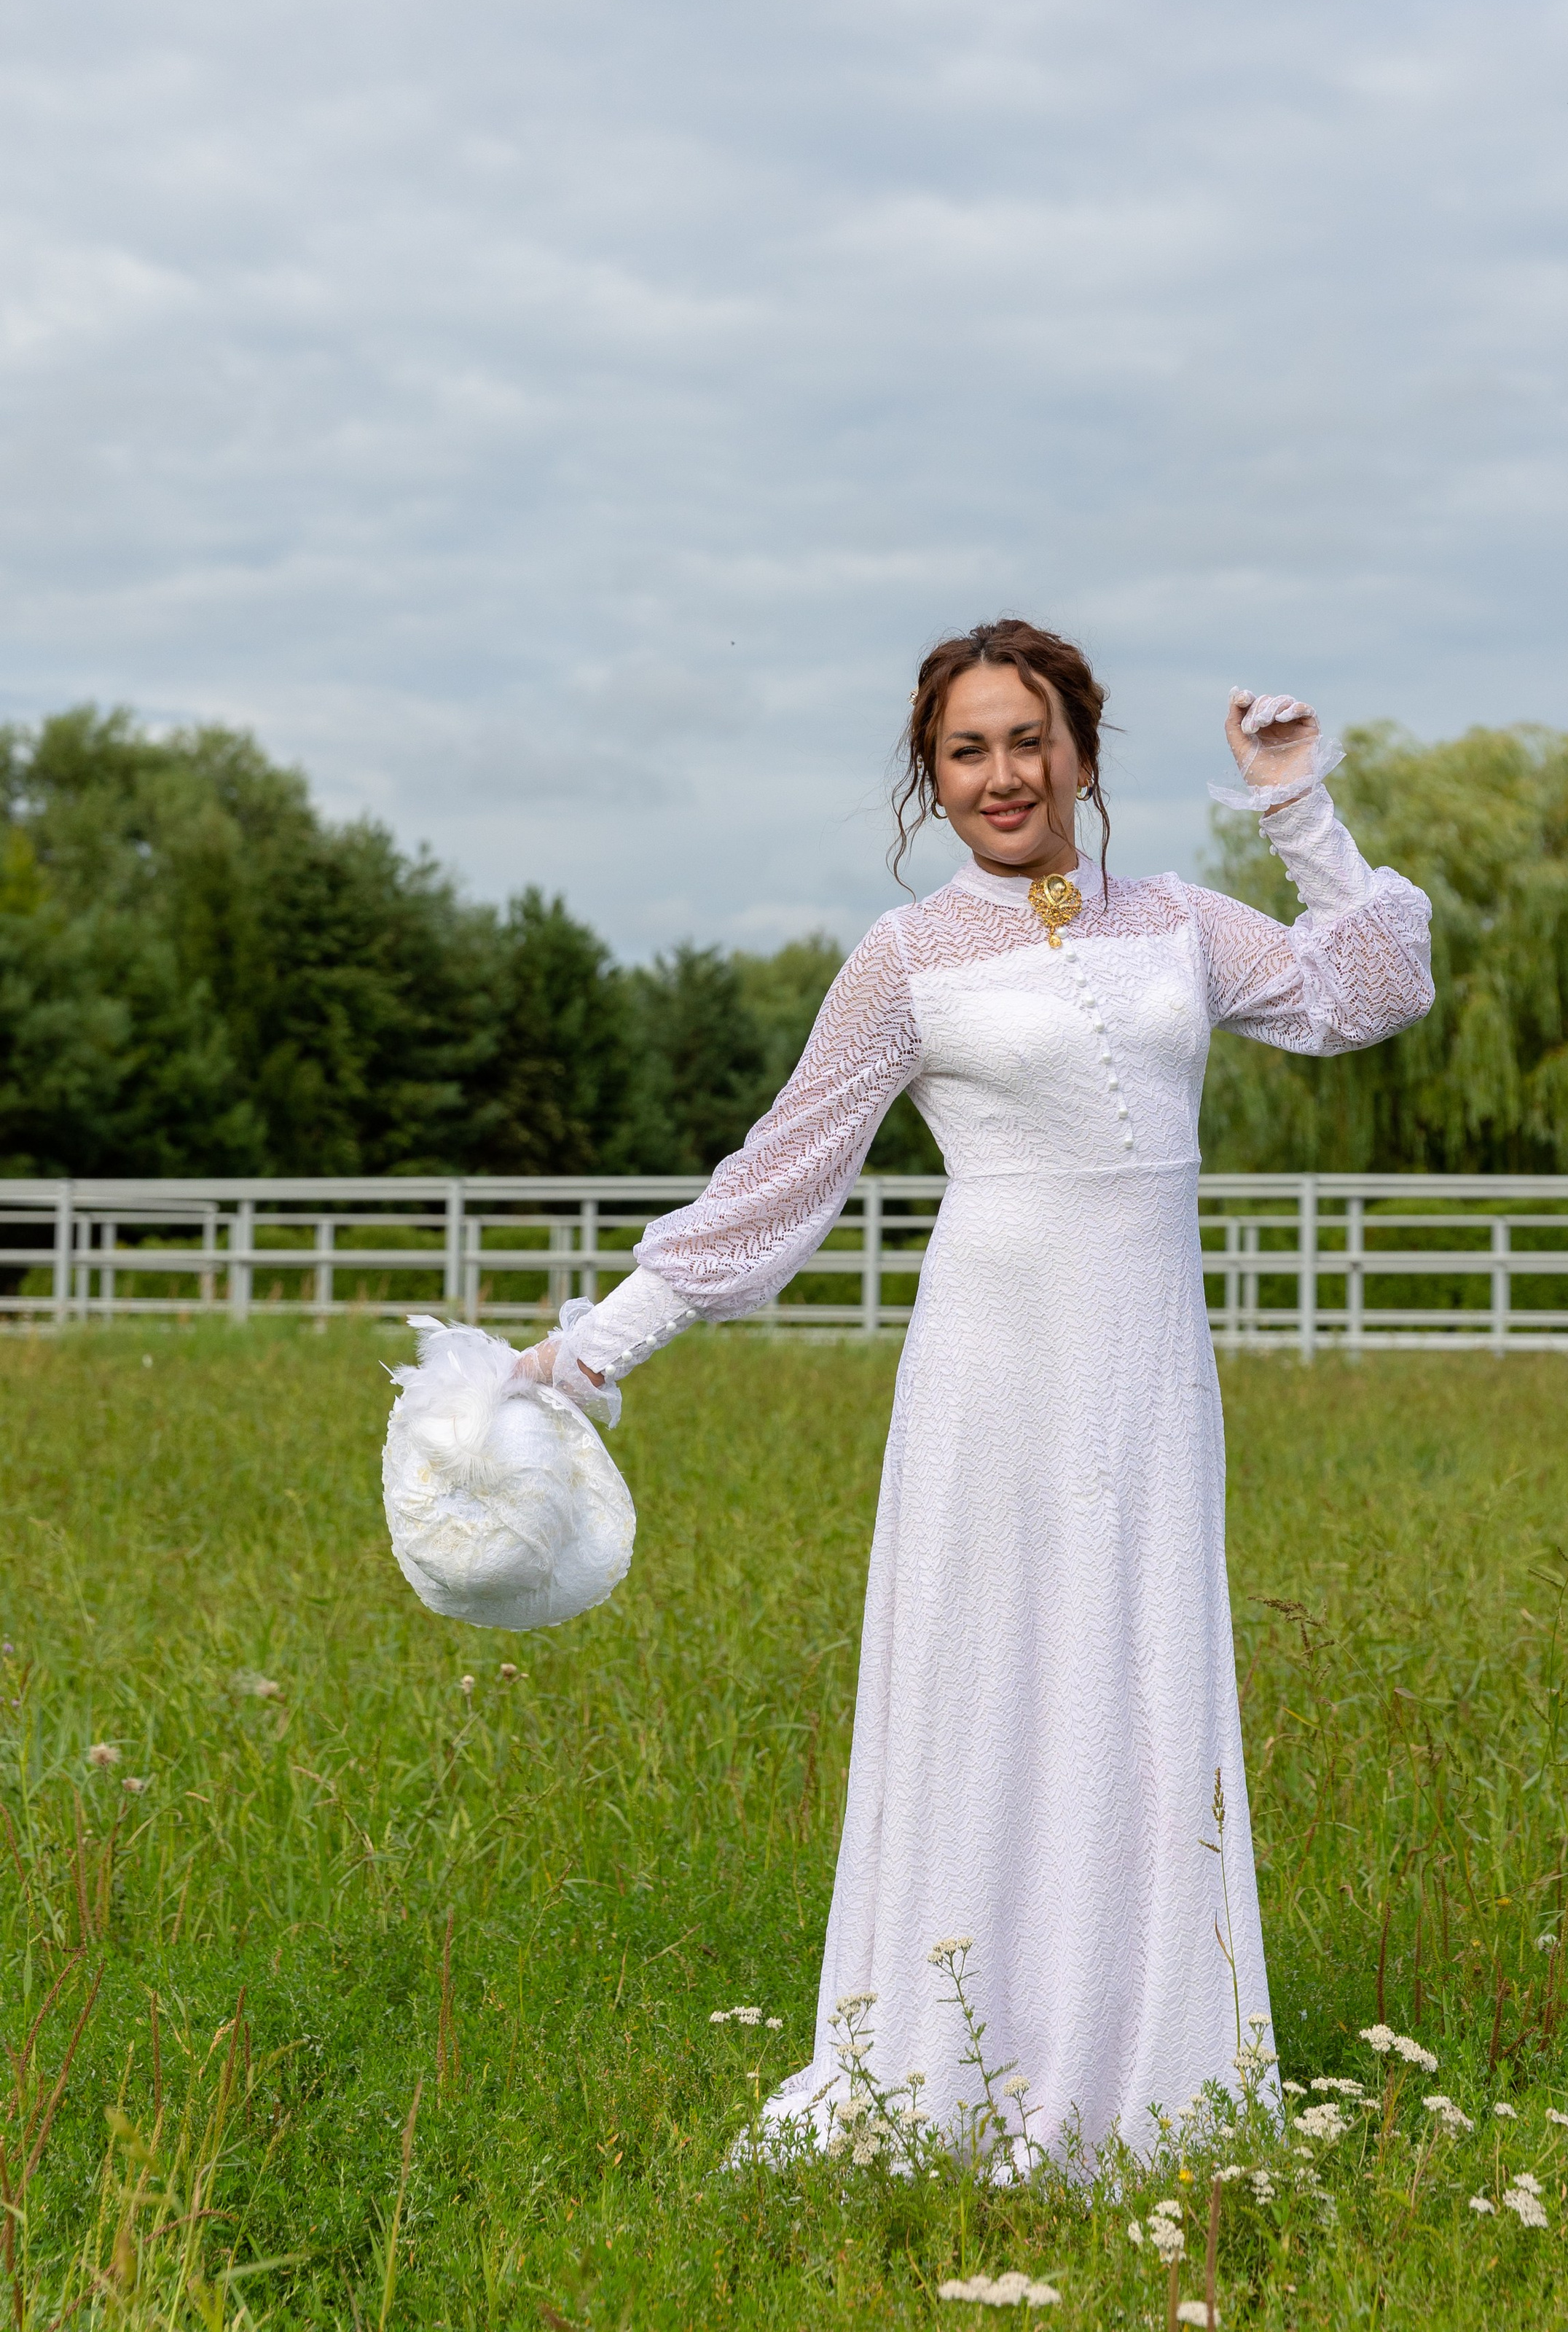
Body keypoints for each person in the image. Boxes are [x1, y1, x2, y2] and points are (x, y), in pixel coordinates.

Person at [517, 617, 1433, 2160]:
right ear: (930, 783)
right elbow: (781, 1170)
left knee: (1138, 1687)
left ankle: (1143, 2065)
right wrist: (598, 1340)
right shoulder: (905, 958)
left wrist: (1295, 805)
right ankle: (953, 2061)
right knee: (988, 1685)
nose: (1002, 773)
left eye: (1029, 739)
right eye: (966, 750)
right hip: (989, 1370)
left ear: (1078, 747)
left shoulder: (1180, 923)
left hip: (1144, 1371)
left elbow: (1370, 994)